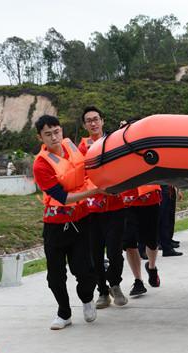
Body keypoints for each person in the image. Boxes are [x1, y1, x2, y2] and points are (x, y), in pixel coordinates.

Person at [32, 115, 100, 330]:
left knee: (85, 269)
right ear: (40, 137)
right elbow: (62, 197)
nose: (54, 137)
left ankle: (87, 300)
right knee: (55, 275)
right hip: (55, 224)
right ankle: (64, 313)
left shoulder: (72, 146)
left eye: (56, 132)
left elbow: (89, 170)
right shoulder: (41, 164)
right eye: (48, 134)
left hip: (82, 219)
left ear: (61, 130)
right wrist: (95, 192)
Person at [79, 106, 128, 309]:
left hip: (115, 206)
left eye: (96, 119)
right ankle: (103, 292)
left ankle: (114, 283)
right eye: (89, 120)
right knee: (96, 254)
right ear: (85, 125)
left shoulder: (113, 141)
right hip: (92, 211)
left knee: (115, 252)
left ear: (102, 121)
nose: (93, 123)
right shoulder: (81, 148)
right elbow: (80, 176)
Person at [122, 185, 162, 295]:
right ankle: (138, 280)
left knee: (152, 241)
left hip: (150, 199)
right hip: (127, 201)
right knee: (129, 241)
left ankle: (151, 267)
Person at [159, 185, 183, 256]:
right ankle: (166, 246)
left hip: (169, 188)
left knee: (169, 218)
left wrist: (178, 190)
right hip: (162, 189)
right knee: (164, 220)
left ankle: (168, 242)